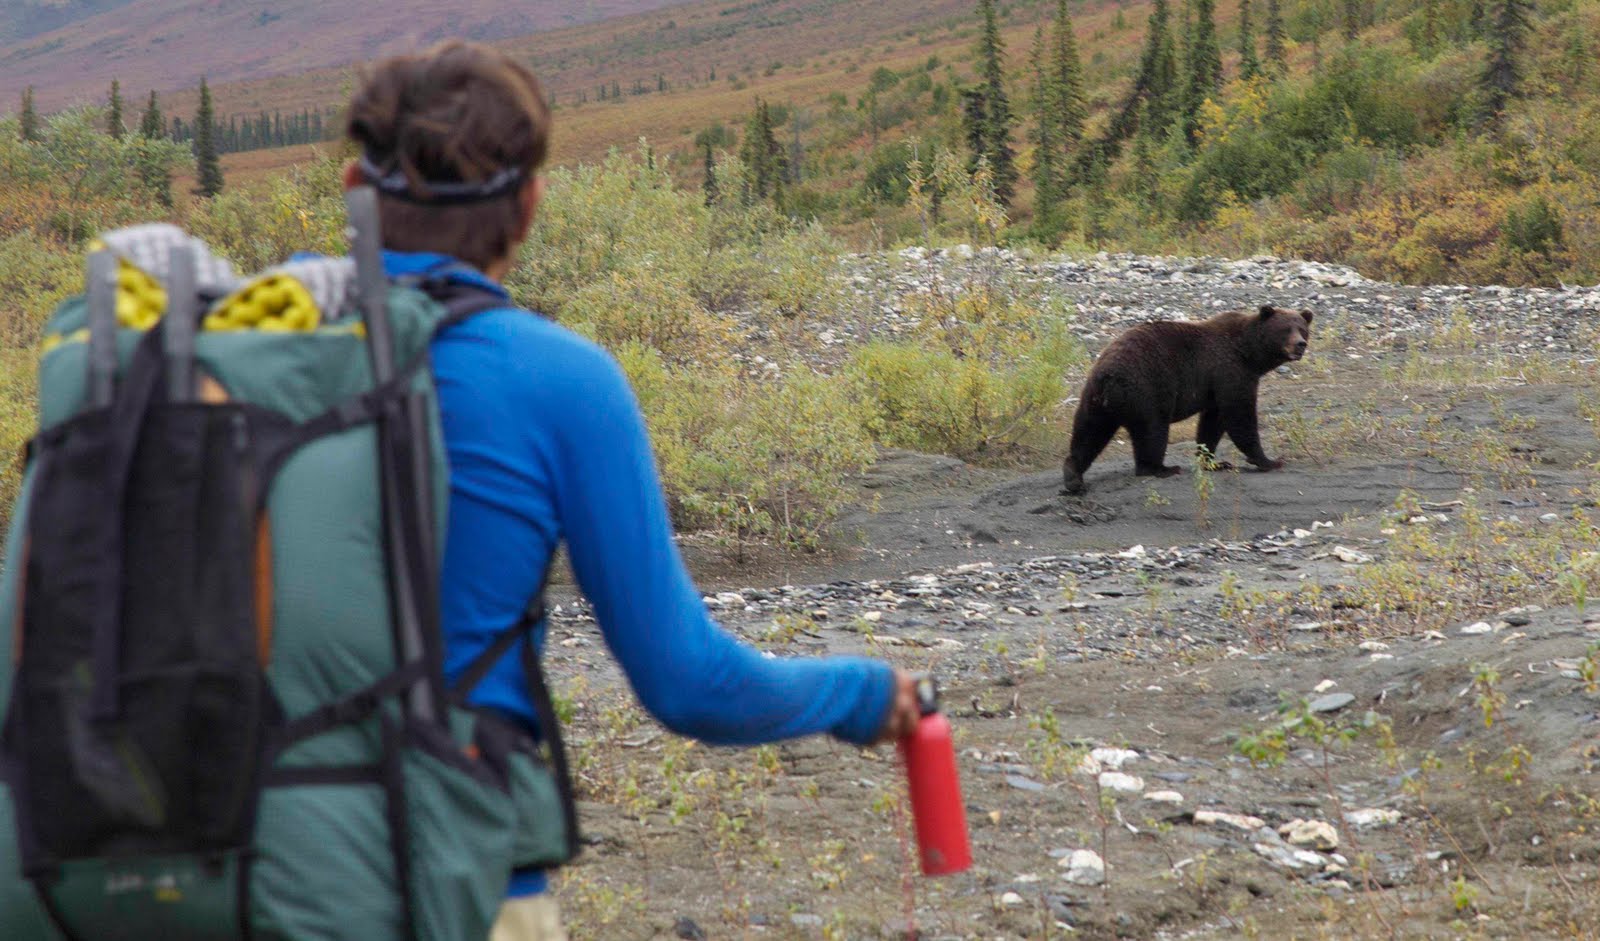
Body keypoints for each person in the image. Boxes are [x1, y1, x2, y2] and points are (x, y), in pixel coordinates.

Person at [341, 41, 921, 940]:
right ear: (529, 206)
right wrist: (859, 692)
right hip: (456, 870)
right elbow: (687, 682)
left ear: (353, 185)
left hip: (226, 860)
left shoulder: (233, 354)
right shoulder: (558, 378)